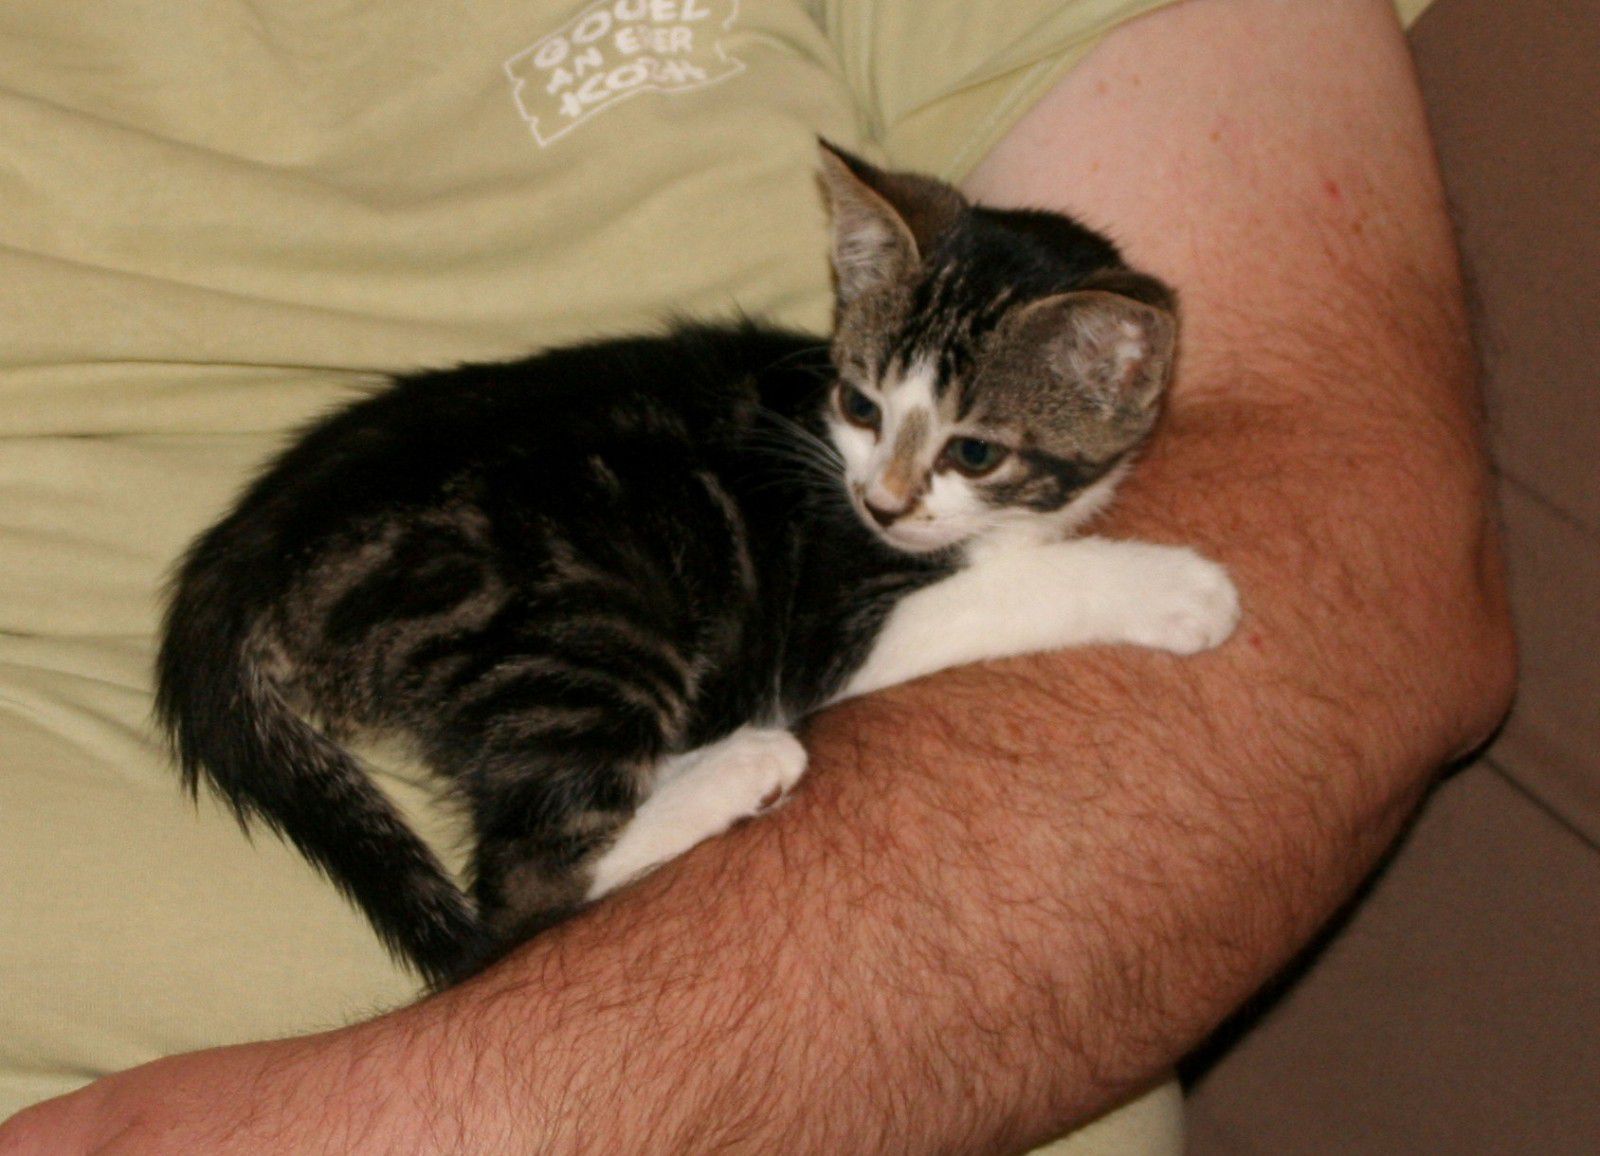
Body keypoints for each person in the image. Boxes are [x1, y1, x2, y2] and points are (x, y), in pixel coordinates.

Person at [0, 0, 1513, 1152]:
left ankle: (547, 876)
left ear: (1114, 384)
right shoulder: (842, 468)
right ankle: (552, 866)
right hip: (410, 582)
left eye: (957, 460)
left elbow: (1358, 529)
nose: (892, 493)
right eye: (861, 417)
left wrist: (450, 1108)